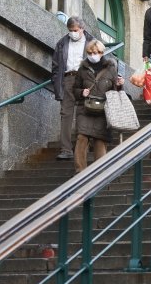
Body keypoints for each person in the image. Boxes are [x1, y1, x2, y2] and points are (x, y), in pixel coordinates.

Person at [73, 39, 124, 174]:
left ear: (101, 53)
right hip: (85, 108)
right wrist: (81, 92)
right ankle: (80, 172)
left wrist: (119, 85)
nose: (92, 55)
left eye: (95, 52)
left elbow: (115, 91)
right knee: (81, 137)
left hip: (103, 109)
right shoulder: (82, 69)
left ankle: (99, 173)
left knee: (100, 140)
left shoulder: (111, 68)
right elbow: (75, 89)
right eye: (89, 52)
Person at [51, 16, 94, 160]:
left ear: (82, 28)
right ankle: (66, 149)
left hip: (85, 78)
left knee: (85, 111)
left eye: (75, 30)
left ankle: (83, 148)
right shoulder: (62, 43)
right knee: (66, 113)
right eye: (70, 30)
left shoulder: (92, 41)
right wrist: (57, 82)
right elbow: (56, 66)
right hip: (68, 78)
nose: (73, 33)